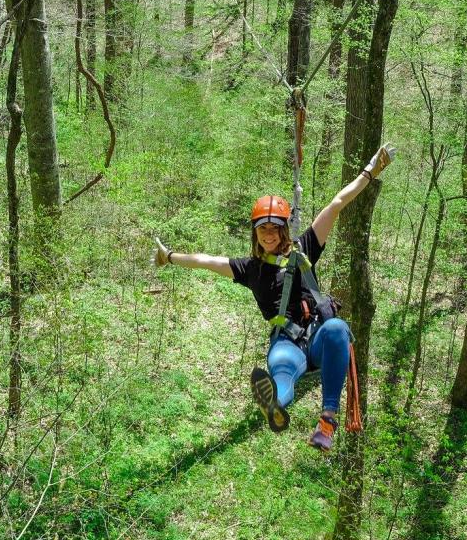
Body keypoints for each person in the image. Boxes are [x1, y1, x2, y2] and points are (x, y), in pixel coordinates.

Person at [154, 144, 395, 451]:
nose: (268, 234)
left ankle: (327, 423)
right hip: (287, 341)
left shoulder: (304, 247)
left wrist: (370, 172)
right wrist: (171, 257)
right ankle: (276, 403)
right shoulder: (249, 268)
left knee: (338, 329)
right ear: (255, 233)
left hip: (320, 336)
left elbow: (336, 204)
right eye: (262, 229)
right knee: (282, 369)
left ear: (284, 230)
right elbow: (207, 260)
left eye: (274, 228)